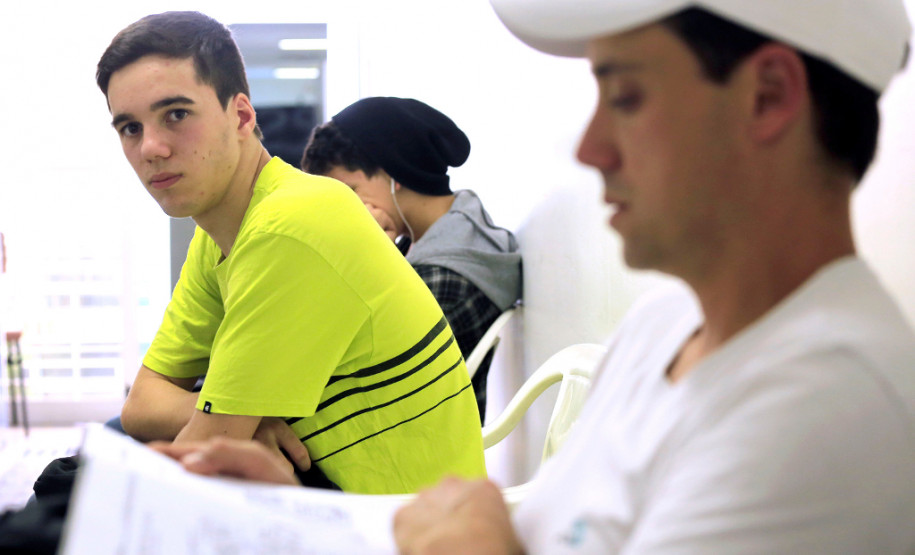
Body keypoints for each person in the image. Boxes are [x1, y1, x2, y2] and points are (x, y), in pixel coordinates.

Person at [151, 0, 915, 553]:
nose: (589, 148)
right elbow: (536, 528)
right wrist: (299, 517)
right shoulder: (661, 331)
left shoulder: (824, 406)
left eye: (625, 96)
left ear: (769, 97)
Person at [93, 10, 485, 494]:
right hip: (330, 490)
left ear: (240, 115)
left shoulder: (291, 225)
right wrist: (247, 424)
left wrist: (225, 424)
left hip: (398, 523)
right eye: (130, 128)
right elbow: (141, 406)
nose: (151, 147)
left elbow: (200, 454)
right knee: (101, 455)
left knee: (86, 493)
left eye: (176, 114)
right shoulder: (218, 230)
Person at [301, 97, 521, 421]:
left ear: (395, 173)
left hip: (401, 450)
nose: (343, 209)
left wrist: (364, 258)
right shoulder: (432, 239)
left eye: (349, 191)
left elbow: (354, 379)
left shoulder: (449, 277)